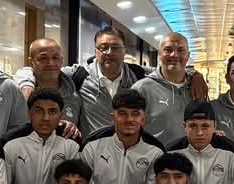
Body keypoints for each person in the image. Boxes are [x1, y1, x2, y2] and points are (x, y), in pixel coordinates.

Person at [15, 27, 149, 135]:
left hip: (130, 150)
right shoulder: (79, 74)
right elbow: (34, 70)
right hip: (91, 153)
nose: (109, 52)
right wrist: (27, 85)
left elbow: (159, 74)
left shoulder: (137, 77)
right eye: (103, 47)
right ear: (95, 51)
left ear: (124, 50)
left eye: (115, 47)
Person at [132, 32, 207, 146]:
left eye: (180, 50)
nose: (174, 55)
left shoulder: (197, 87)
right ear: (159, 54)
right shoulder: (141, 89)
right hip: (156, 156)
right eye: (168, 50)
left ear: (188, 55)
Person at [12, 38, 83, 127]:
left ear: (61, 60)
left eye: (55, 58)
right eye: (43, 58)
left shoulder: (74, 98)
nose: (50, 63)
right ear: (31, 62)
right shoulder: (17, 93)